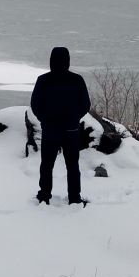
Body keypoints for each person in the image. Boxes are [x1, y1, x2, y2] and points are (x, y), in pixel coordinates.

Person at [29, 46, 91, 206]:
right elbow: (85, 105)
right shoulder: (77, 80)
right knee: (72, 166)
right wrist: (74, 118)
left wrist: (44, 119)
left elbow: (35, 105)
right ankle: (74, 198)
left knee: (47, 165)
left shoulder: (43, 80)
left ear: (51, 60)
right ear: (68, 61)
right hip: (71, 130)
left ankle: (44, 196)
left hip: (50, 130)